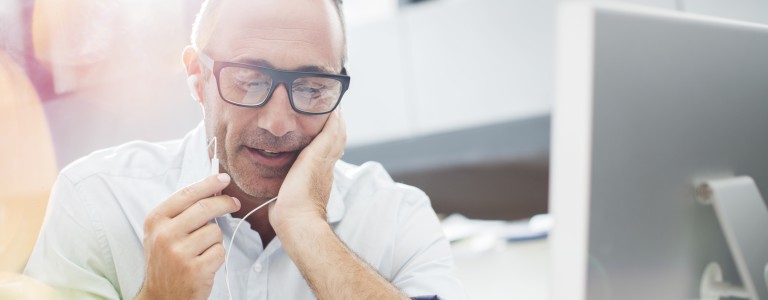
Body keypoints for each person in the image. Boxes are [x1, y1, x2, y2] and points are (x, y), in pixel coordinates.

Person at [24, 0, 467, 299]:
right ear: (197, 76)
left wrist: (307, 229)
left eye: (312, 86)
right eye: (249, 80)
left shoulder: (397, 215)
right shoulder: (97, 201)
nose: (278, 122)